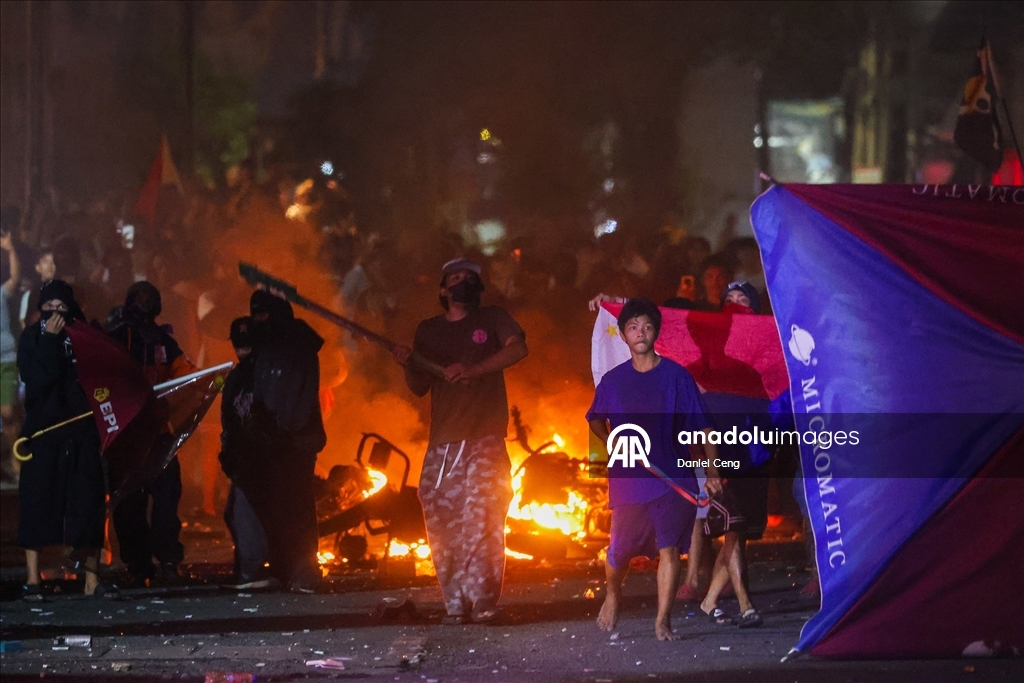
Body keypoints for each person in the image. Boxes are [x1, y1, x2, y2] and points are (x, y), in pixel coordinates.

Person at [393, 258, 528, 624]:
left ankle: (483, 600)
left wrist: (473, 370)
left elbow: (518, 348)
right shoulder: (429, 330)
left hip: (485, 438)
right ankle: (455, 603)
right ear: (443, 289)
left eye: (469, 278)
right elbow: (419, 386)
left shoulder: (493, 318)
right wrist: (407, 363)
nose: (463, 282)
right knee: (442, 519)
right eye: (455, 277)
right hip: (443, 442)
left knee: (483, 515)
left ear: (479, 287)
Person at [587, 298, 723, 640]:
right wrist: (611, 441)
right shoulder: (613, 380)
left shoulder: (677, 377)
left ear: (656, 333)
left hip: (673, 477)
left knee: (669, 548)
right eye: (633, 327)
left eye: (647, 327)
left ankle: (663, 620)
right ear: (623, 335)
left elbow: (704, 426)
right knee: (619, 552)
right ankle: (613, 594)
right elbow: (595, 418)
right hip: (629, 480)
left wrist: (713, 470)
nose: (640, 332)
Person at [16, 280, 109, 598]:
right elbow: (37, 380)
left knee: (88, 505)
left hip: (82, 431)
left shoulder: (84, 336)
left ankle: (92, 581)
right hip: (44, 432)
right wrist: (49, 341)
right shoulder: (32, 337)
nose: (55, 313)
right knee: (37, 504)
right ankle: (32, 579)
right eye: (48, 307)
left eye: (61, 308)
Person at [105, 281, 197, 585]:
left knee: (166, 502)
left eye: (149, 300)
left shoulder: (166, 343)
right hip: (127, 437)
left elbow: (186, 377)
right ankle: (139, 565)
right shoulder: (117, 339)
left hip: (159, 437)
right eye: (140, 299)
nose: (144, 305)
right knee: (129, 505)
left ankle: (168, 561)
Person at [698, 281, 768, 629]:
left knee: (739, 533)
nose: (736, 306)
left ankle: (709, 601)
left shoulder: (762, 364)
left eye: (743, 300)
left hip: (753, 456)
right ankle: (745, 605)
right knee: (734, 526)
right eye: (729, 300)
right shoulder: (702, 365)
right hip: (718, 458)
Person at [248, 289, 326, 593]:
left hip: (296, 441)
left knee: (297, 506)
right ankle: (281, 568)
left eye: (263, 313)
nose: (259, 320)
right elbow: (261, 389)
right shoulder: (265, 345)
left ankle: (306, 570)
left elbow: (299, 395)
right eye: (255, 314)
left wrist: (287, 433)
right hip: (270, 441)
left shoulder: (297, 344)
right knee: (274, 507)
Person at [219, 316, 271, 590]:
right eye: (238, 345)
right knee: (235, 512)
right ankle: (249, 567)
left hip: (261, 454)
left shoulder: (267, 373)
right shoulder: (235, 377)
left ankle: (253, 570)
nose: (242, 350)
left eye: (247, 344)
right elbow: (228, 417)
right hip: (242, 455)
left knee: (246, 511)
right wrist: (228, 451)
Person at [1, 225, 22, 486]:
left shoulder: (0, 293)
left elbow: (15, 279)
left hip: (5, 360)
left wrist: (10, 249)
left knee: (7, 412)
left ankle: (16, 459)